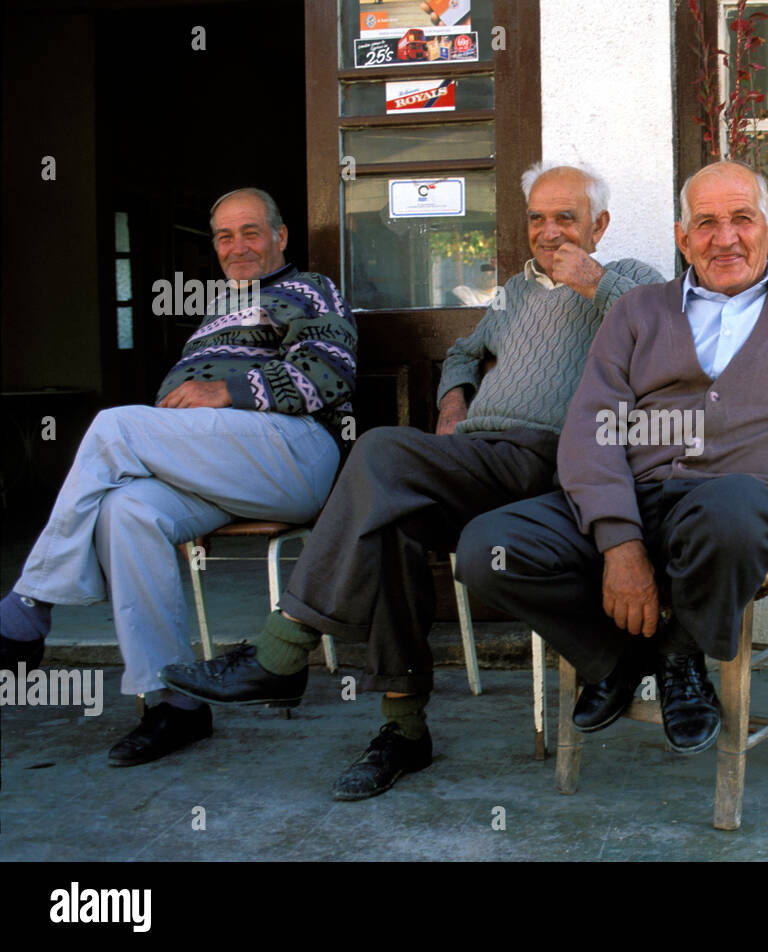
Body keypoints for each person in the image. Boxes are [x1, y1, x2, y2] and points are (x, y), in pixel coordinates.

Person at [160, 161, 663, 799]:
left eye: (566, 217)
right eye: (536, 217)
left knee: (377, 452)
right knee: (390, 524)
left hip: (553, 461)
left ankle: (281, 650)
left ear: (600, 225)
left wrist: (593, 282)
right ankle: (403, 728)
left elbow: (662, 335)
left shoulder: (632, 281)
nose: (548, 232)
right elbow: (462, 351)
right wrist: (455, 402)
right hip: (480, 460)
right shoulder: (516, 291)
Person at [455, 160, 768, 754]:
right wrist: (620, 542)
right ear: (682, 238)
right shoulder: (639, 309)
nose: (724, 239)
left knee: (737, 509)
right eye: (705, 224)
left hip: (732, 508)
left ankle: (680, 655)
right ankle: (617, 659)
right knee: (486, 550)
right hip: (638, 497)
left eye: (741, 220)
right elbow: (591, 427)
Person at [0, 187, 356, 766]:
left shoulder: (309, 289)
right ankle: (173, 703)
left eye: (250, 231)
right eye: (223, 235)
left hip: (291, 453)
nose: (236, 246)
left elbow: (330, 375)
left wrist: (225, 390)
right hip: (218, 465)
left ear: (281, 236)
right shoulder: (216, 311)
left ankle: (29, 604)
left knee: (115, 427)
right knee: (126, 512)